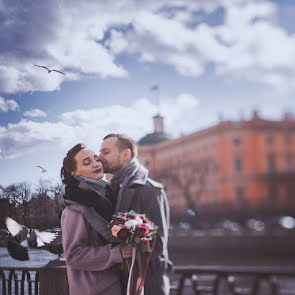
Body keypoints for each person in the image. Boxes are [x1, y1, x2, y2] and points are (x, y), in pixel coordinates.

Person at [98, 134, 172, 295]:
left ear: (125, 154)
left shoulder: (151, 190)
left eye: (105, 152)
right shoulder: (112, 190)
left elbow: (157, 247)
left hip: (145, 286)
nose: (99, 157)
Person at [60, 143, 132, 295]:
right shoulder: (74, 208)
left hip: (115, 286)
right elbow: (73, 255)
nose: (95, 164)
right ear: (73, 172)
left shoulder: (106, 197)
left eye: (95, 159)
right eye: (87, 163)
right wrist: (117, 253)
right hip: (92, 289)